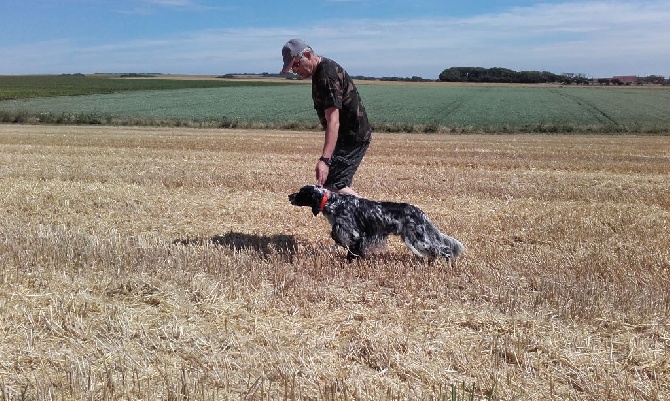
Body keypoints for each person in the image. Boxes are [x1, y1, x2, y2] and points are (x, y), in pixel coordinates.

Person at [280, 38, 372, 197]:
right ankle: (359, 219)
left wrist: (325, 160)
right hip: (346, 136)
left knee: (334, 186)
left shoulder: (326, 75)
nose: (294, 71)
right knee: (333, 186)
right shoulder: (319, 72)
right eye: (290, 69)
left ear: (307, 55)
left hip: (353, 137)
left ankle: (368, 218)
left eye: (295, 65)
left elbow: (333, 121)